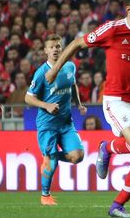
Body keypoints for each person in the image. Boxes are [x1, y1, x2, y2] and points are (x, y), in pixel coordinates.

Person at [45, 0, 130, 218]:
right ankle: (106, 148)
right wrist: (55, 69)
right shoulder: (113, 29)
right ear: (128, 9)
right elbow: (77, 43)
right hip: (116, 99)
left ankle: (117, 206)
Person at [25, 34, 87, 206]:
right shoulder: (41, 73)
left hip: (66, 123)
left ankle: (50, 157)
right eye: (51, 47)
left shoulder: (69, 66)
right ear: (45, 51)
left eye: (58, 46)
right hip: (47, 124)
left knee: (78, 156)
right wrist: (46, 105)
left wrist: (79, 104)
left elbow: (73, 84)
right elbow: (28, 98)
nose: (55, 50)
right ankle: (45, 196)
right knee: (51, 163)